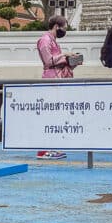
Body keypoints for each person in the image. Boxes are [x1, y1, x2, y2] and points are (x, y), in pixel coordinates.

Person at [34, 15, 80, 160]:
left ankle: (50, 147)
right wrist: (65, 55)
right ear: (56, 26)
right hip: (51, 79)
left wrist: (71, 60)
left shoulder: (52, 40)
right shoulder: (45, 40)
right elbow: (48, 61)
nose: (65, 30)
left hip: (58, 79)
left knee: (54, 115)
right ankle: (43, 150)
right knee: (49, 115)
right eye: (64, 27)